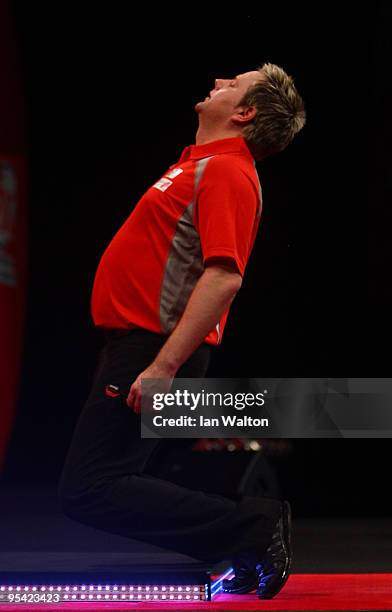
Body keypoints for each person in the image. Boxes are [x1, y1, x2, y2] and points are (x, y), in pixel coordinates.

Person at [58, 62, 306, 599]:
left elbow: (224, 278)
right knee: (102, 484)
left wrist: (163, 368)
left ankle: (256, 529)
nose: (219, 81)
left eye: (233, 84)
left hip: (155, 348)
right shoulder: (201, 163)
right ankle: (240, 543)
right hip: (138, 345)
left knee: (89, 488)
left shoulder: (227, 171)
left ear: (245, 113)